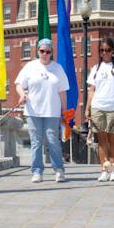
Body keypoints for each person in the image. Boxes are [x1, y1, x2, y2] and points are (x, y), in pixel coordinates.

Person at [15, 38, 69, 183]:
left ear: (52, 52)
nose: (45, 54)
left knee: (53, 141)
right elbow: (18, 84)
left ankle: (59, 170)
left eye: (48, 52)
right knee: (36, 142)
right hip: (33, 111)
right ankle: (37, 171)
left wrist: (65, 111)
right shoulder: (30, 66)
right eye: (42, 51)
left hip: (52, 111)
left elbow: (62, 91)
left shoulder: (58, 68)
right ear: (37, 51)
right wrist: (22, 94)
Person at [85, 38, 114, 182]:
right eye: (102, 50)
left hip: (113, 108)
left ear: (113, 51)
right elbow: (91, 89)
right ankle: (104, 170)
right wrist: (87, 108)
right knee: (102, 141)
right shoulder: (96, 68)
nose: (104, 53)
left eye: (107, 50)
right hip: (98, 108)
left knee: (113, 141)